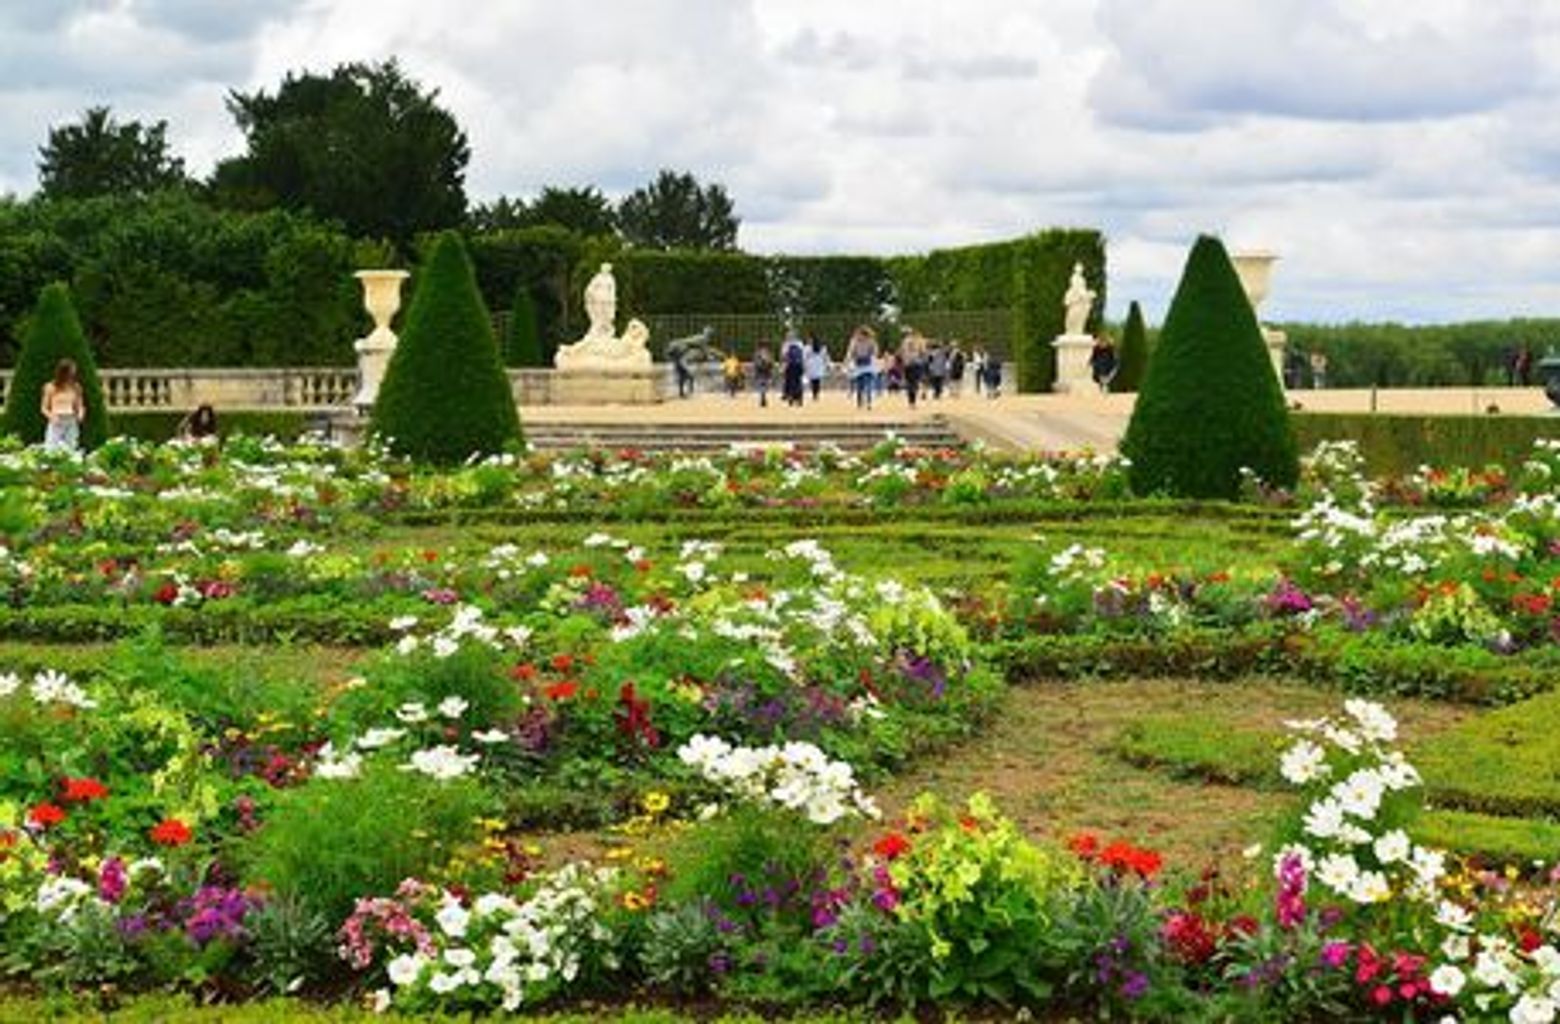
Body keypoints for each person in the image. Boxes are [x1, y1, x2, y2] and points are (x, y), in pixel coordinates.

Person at [40, 359, 85, 453]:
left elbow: (80, 405)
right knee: (51, 448)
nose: (73, 374)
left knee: (71, 447)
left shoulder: (76, 387)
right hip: (57, 419)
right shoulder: (50, 387)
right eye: (71, 371)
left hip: (70, 419)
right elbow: (44, 408)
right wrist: (51, 416)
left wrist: (80, 414)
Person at [846, 325, 878, 410]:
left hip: (868, 365)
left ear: (863, 334)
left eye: (859, 334)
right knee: (860, 385)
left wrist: (872, 357)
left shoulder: (871, 341)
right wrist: (848, 360)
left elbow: (875, 352)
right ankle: (860, 402)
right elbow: (850, 352)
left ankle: (869, 402)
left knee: (869, 385)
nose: (857, 336)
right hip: (859, 365)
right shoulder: (854, 342)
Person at [899, 328, 928, 407]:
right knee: (916, 381)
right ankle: (919, 393)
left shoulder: (904, 341)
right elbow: (923, 352)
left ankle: (911, 401)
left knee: (910, 382)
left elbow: (901, 353)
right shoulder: (918, 341)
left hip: (908, 364)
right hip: (917, 363)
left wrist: (904, 361)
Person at [781, 332, 806, 407]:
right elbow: (803, 356)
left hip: (790, 365)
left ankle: (790, 397)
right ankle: (799, 398)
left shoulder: (786, 344)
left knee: (790, 381)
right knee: (798, 381)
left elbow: (784, 357)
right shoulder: (800, 344)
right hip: (799, 365)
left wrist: (783, 367)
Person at [804, 335, 830, 402]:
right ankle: (816, 394)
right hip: (818, 365)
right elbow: (826, 357)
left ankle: (815, 394)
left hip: (812, 366)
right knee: (817, 381)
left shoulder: (808, 348)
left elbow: (804, 357)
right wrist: (827, 364)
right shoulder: (822, 348)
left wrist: (804, 365)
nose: (809, 341)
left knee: (814, 381)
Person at [752, 343, 774, 408]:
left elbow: (755, 364)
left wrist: (755, 373)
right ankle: (763, 396)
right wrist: (770, 371)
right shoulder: (768, 353)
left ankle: (762, 396)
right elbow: (771, 363)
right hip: (766, 371)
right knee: (765, 384)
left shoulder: (757, 353)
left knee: (761, 384)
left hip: (760, 371)